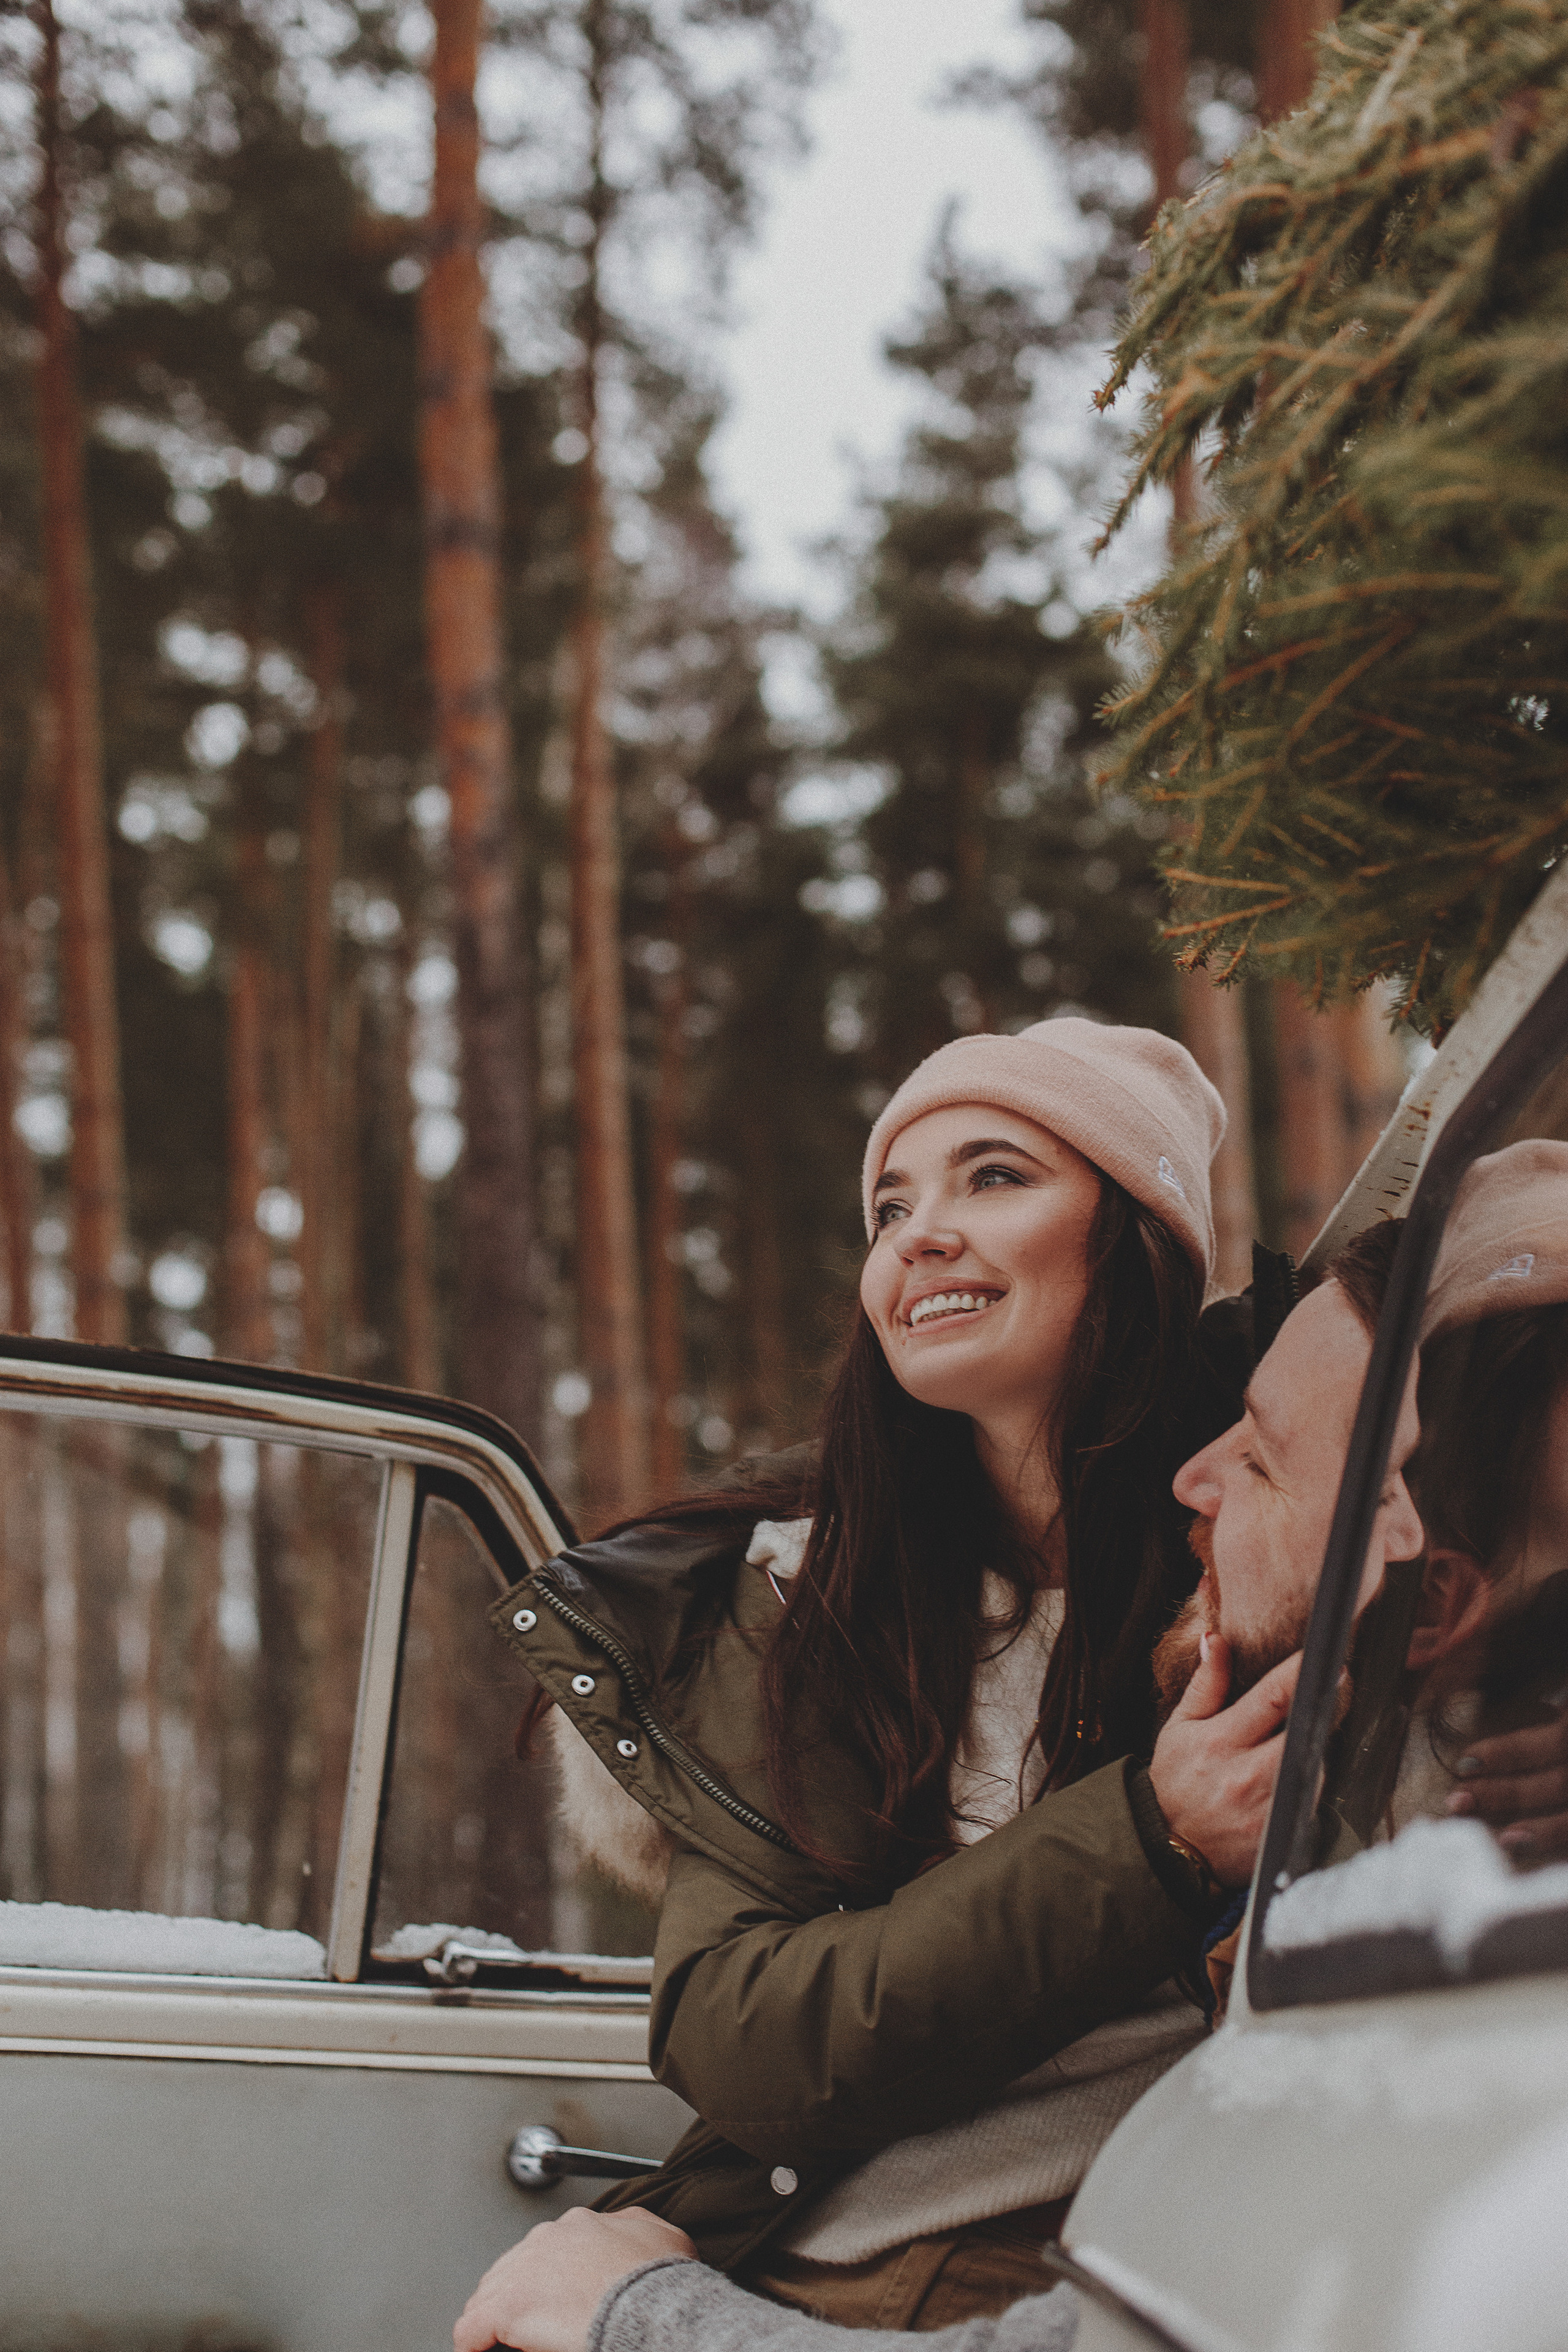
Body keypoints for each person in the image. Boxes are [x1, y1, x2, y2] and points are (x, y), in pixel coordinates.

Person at [454, 1220, 1428, 2352]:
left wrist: (633, 2315)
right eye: (885, 1209)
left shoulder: (1275, 1609)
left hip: (993, 2256)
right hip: (793, 2225)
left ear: (1134, 1253)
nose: (926, 1235)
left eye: (999, 1176)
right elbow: (739, 2042)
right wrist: (1148, 1836)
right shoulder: (826, 1601)